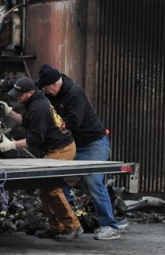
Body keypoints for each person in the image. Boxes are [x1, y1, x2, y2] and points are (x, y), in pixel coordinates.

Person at [36, 64, 121, 240]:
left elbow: (72, 123)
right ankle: (66, 225)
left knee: (94, 181)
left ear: (54, 84)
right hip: (73, 144)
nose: (45, 91)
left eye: (45, 88)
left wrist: (51, 127)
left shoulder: (74, 93)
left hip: (93, 144)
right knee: (58, 181)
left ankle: (110, 226)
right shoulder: (51, 95)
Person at [0, 77, 83, 241]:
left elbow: (36, 139)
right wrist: (10, 113)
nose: (17, 98)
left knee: (52, 188)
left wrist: (12, 145)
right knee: (44, 189)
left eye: (20, 95)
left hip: (62, 149)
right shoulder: (35, 101)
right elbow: (28, 122)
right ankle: (56, 227)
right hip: (55, 148)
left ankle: (73, 226)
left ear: (30, 92)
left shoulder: (39, 107)